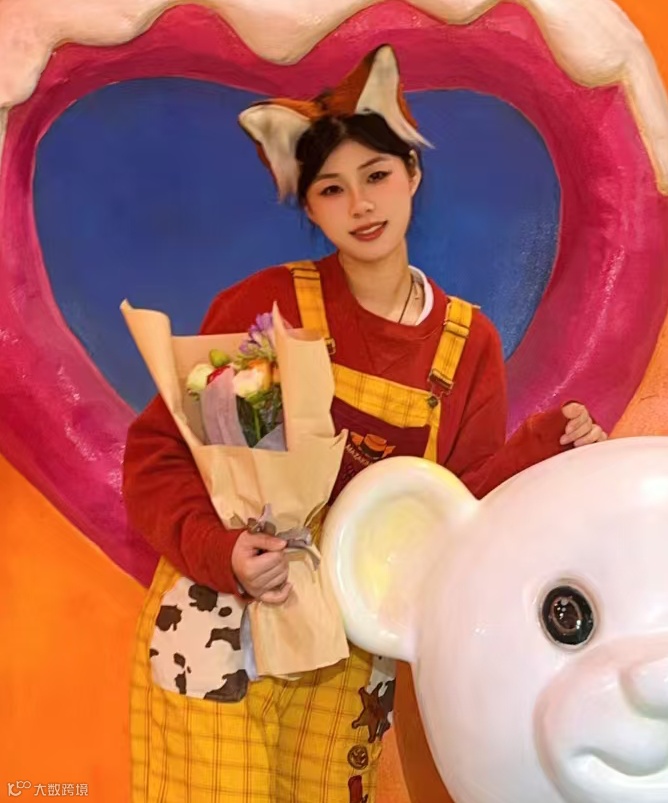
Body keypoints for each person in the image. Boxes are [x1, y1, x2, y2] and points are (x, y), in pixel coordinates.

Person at [123, 44, 606, 803]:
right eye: (332, 188)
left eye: (376, 176)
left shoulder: (467, 343)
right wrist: (224, 552)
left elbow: (454, 514)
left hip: (347, 655)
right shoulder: (269, 309)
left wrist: (550, 450)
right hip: (223, 628)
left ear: (413, 175)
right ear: (310, 208)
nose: (361, 205)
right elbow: (163, 456)